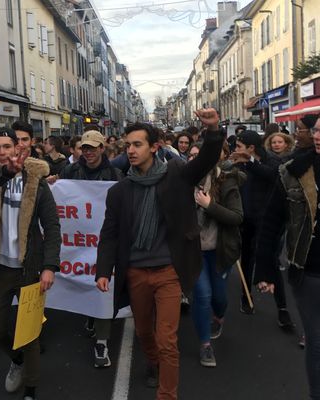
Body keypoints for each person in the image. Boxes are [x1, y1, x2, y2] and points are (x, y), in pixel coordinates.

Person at [96, 109, 224, 400]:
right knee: (144, 333)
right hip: (135, 272)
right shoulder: (120, 191)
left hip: (168, 270)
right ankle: (152, 363)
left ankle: (168, 394)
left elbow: (205, 160)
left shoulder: (177, 173)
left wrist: (213, 129)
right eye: (127, 145)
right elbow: (110, 233)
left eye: (137, 144)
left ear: (154, 146)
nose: (130, 150)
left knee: (167, 340)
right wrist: (103, 270)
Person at [0, 127, 61, 400]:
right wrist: (7, 173)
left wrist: (49, 266)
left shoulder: (37, 181)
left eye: (6, 146)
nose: (2, 152)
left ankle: (31, 389)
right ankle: (17, 360)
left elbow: (52, 226)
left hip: (28, 268)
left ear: (16, 148)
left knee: (30, 335)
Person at [255, 115, 320, 400]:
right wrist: (265, 270)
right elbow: (271, 222)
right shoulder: (292, 171)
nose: (317, 136)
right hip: (309, 270)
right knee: (317, 342)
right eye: (317, 130)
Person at [58, 130, 122, 369]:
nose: (89, 152)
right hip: (78, 240)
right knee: (84, 278)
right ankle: (90, 316)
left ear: (102, 149)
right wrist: (54, 183)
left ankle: (102, 341)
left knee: (104, 284)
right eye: (85, 148)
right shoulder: (69, 171)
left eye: (93, 148)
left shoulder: (115, 174)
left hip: (104, 240)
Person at [228, 130, 291, 323]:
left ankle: (282, 307)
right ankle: (246, 296)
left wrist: (249, 162)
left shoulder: (271, 160)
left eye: (239, 147)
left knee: (270, 260)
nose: (235, 150)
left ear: (251, 148)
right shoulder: (238, 163)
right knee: (247, 259)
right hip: (246, 220)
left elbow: (271, 175)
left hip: (266, 222)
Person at [191, 142, 244, 368]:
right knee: (202, 296)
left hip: (220, 250)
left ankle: (219, 317)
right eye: (191, 156)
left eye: (199, 156)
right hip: (195, 252)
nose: (194, 160)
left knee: (219, 298)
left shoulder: (226, 180)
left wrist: (209, 205)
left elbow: (237, 217)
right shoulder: (185, 181)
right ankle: (205, 345)